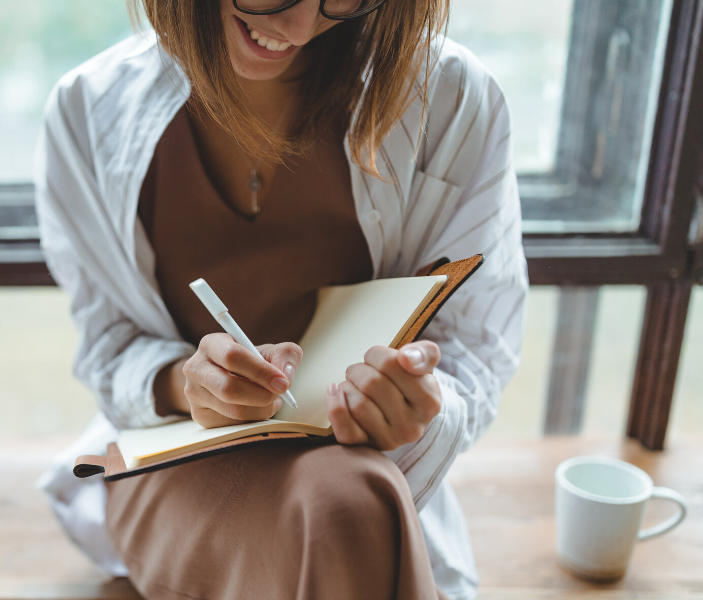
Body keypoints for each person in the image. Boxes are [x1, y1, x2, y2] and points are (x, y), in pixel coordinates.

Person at [34, 0, 528, 598]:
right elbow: (109, 346)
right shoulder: (85, 111)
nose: (297, 27)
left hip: (367, 463)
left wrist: (420, 403)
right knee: (350, 507)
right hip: (173, 458)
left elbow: (477, 345)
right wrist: (186, 384)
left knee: (347, 495)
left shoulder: (451, 99)